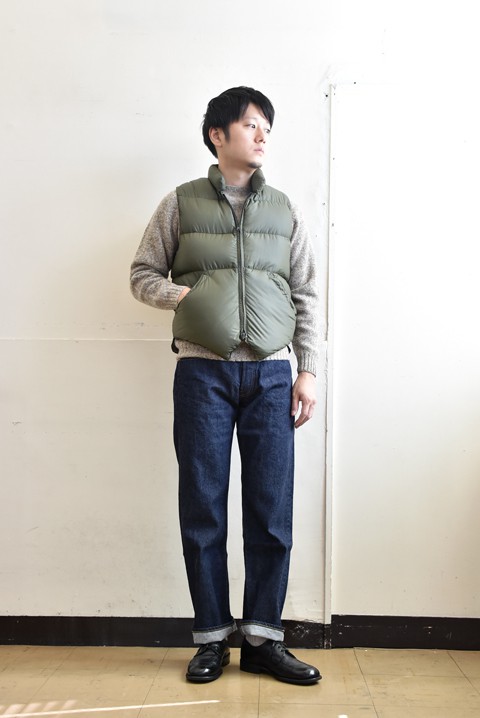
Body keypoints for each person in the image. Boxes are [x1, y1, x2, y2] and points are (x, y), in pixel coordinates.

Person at [130, 86, 321, 685]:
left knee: (271, 512)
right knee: (204, 509)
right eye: (251, 125)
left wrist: (308, 369)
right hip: (202, 372)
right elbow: (142, 274)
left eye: (267, 127)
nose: (262, 136)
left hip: (271, 374)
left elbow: (307, 293)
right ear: (218, 134)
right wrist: (183, 296)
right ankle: (211, 637)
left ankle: (263, 639)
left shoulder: (284, 209)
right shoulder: (180, 203)